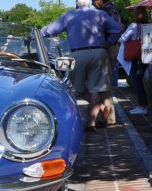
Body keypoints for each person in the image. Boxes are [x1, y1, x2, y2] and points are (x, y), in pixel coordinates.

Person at [38, 0, 121, 132]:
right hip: (99, 52)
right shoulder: (100, 14)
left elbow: (49, 30)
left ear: (77, 4)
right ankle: (92, 122)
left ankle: (94, 117)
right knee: (96, 89)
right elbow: (117, 29)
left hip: (78, 53)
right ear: (89, 3)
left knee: (75, 88)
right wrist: (108, 42)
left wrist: (34, 34)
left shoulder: (69, 16)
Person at [94, 0, 121, 127]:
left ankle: (108, 117)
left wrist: (107, 42)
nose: (93, 4)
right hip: (111, 47)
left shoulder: (106, 11)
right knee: (105, 82)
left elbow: (115, 29)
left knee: (103, 83)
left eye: (94, 1)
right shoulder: (112, 8)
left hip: (108, 47)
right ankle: (108, 117)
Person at [119, 7, 150, 115]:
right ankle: (142, 105)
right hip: (146, 56)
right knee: (140, 80)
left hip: (135, 56)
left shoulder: (133, 26)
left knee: (137, 81)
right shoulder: (149, 26)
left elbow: (123, 39)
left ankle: (142, 106)